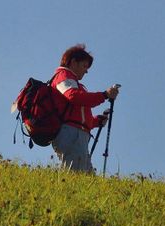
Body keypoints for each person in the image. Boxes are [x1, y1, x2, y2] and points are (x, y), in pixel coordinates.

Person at [50, 44, 120, 172]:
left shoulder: (72, 81)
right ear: (73, 62)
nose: (86, 71)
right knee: (76, 175)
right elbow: (73, 96)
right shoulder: (63, 75)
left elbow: (75, 113)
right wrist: (104, 95)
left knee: (85, 176)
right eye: (84, 66)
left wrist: (95, 121)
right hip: (71, 133)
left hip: (75, 133)